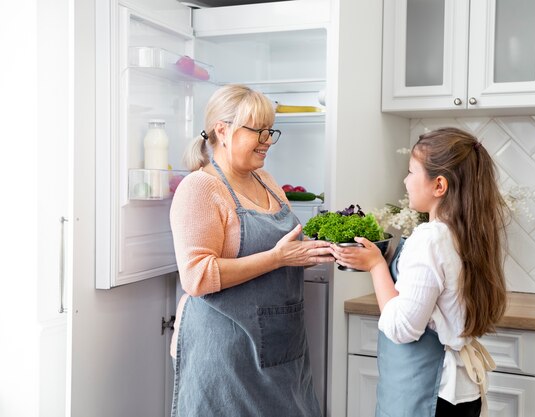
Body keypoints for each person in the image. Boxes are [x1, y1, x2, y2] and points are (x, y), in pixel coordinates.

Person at [169, 84, 334, 417]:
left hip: (284, 346)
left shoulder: (265, 180)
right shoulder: (200, 188)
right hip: (226, 351)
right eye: (257, 131)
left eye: (270, 131)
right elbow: (198, 277)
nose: (267, 141)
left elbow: (288, 251)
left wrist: (320, 250)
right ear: (223, 130)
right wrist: (278, 258)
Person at [332, 127, 508, 417]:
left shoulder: (429, 238)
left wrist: (376, 266)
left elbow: (401, 328)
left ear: (439, 185)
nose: (405, 180)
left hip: (430, 394)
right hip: (458, 394)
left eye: (412, 172)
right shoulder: (467, 234)